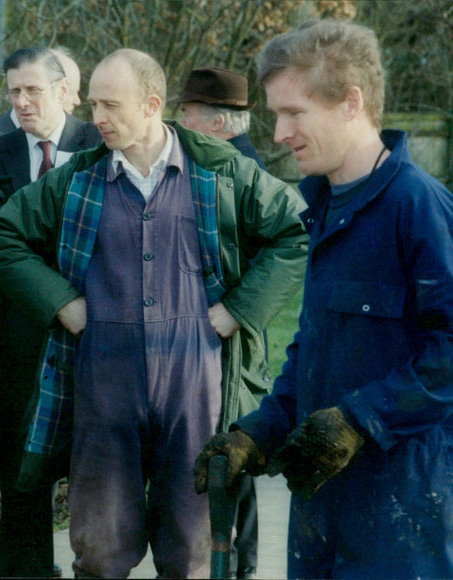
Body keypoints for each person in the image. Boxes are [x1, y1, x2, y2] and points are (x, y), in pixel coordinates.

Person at [194, 19, 453, 580]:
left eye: (295, 113)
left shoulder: (418, 207)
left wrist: (360, 420)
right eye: (275, 115)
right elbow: (316, 353)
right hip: (329, 515)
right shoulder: (323, 210)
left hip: (416, 523)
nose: (280, 134)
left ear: (351, 102)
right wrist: (259, 432)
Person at [0, 48, 308, 578]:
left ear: (152, 105)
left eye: (111, 105)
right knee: (101, 548)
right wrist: (60, 302)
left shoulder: (221, 175)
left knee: (193, 548)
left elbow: (296, 231)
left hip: (197, 382)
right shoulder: (76, 181)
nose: (97, 118)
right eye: (94, 105)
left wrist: (240, 310)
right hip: (102, 380)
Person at [0, 45, 89, 579]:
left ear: (64, 91)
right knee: (4, 445)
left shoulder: (97, 146)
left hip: (81, 321)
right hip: (7, 326)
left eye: (33, 91)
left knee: (75, 448)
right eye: (14, 92)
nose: (22, 102)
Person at [175, 65, 265, 579]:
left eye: (185, 112)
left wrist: (232, 312)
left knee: (234, 452)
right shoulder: (219, 165)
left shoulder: (243, 173)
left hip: (230, 342)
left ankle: (238, 567)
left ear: (215, 123)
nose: (178, 121)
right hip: (211, 336)